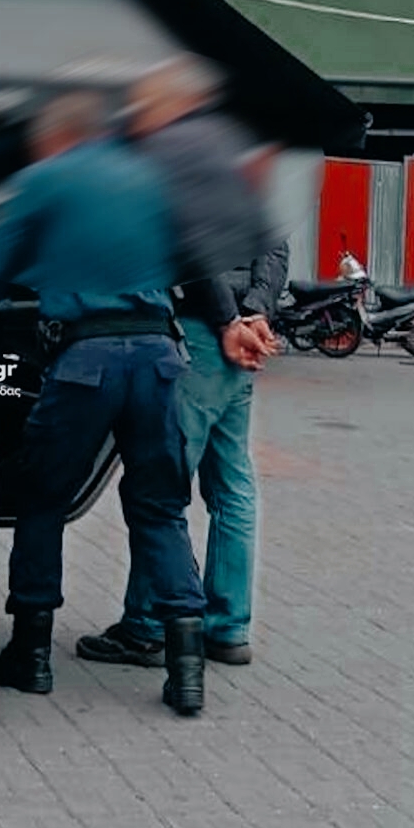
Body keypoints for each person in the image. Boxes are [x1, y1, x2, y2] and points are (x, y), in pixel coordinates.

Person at [0, 89, 246, 716]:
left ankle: (30, 656)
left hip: (85, 364)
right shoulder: (155, 178)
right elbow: (198, 262)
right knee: (160, 507)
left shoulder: (44, 179)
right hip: (159, 362)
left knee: (42, 499)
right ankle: (186, 668)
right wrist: (227, 322)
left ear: (56, 136)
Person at [78, 56, 287, 670]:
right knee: (232, 482)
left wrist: (229, 322)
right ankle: (227, 627)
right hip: (238, 336)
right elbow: (275, 245)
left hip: (204, 335)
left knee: (161, 485)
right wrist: (257, 313)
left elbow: (192, 252)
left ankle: (147, 624)